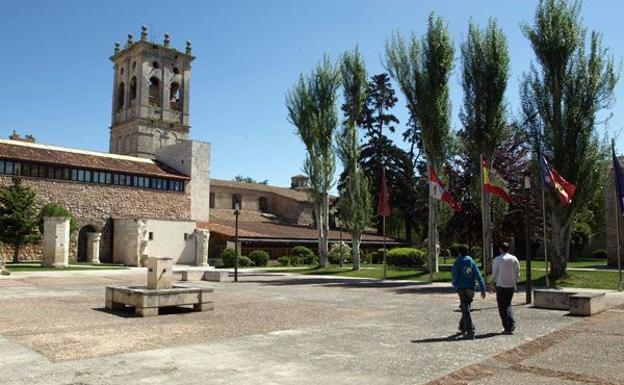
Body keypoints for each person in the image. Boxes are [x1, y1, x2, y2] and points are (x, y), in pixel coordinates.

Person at [451, 244, 486, 339]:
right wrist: (483, 289)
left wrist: (454, 284)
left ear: (459, 252)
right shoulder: (471, 261)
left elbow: (455, 275)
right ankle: (463, 326)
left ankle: (470, 330)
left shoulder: (457, 262)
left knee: (465, 308)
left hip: (461, 288)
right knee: (466, 306)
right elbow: (478, 275)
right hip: (471, 288)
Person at [492, 242, 520, 334]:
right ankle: (510, 324)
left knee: (502, 307)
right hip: (511, 285)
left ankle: (508, 325)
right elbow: (517, 272)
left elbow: (495, 273)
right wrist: (515, 283)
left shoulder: (498, 259)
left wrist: (492, 282)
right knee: (508, 304)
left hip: (501, 285)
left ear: (500, 249)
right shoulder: (514, 258)